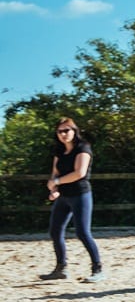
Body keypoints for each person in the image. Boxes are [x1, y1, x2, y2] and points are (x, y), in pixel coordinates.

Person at [39, 117, 105, 282]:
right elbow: (55, 172)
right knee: (55, 231)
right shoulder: (59, 151)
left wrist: (57, 182)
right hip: (64, 197)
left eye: (66, 130)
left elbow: (79, 173)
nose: (63, 134)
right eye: (60, 131)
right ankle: (61, 268)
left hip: (80, 195)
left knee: (82, 232)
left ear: (74, 130)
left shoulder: (83, 148)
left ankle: (98, 269)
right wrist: (54, 189)